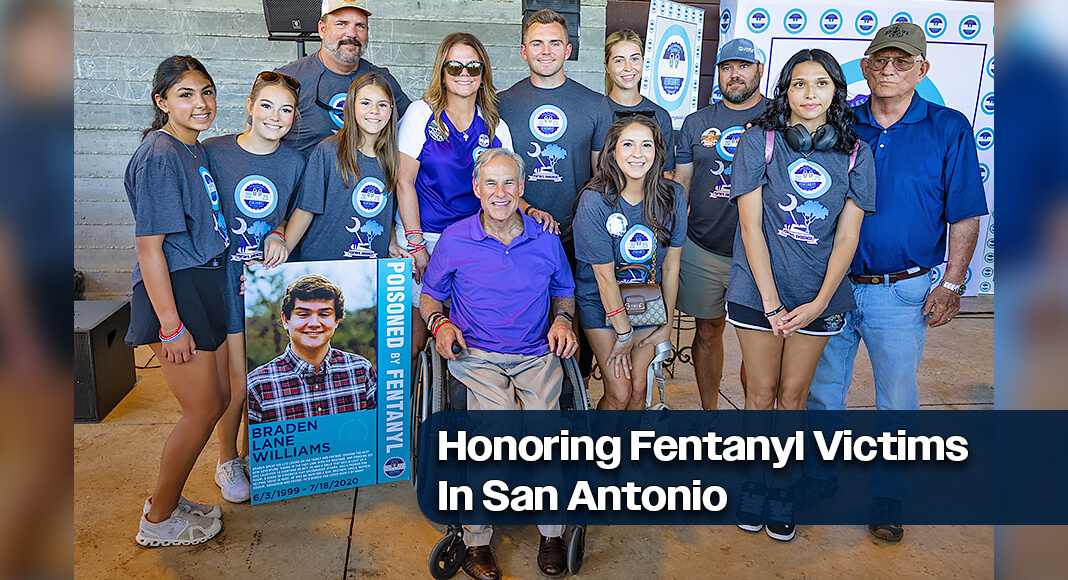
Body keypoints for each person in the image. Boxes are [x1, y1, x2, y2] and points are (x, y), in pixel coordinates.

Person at [798, 23, 988, 543]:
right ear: (864, 66)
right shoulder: (839, 120)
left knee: (897, 399)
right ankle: (818, 476)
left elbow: (965, 212)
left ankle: (888, 496)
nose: (888, 69)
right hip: (832, 286)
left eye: (902, 61)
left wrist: (953, 283)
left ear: (922, 69)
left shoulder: (948, 128)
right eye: (879, 60)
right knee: (823, 391)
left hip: (901, 290)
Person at [725, 48, 875, 542]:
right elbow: (750, 228)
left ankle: (782, 489)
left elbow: (848, 237)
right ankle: (753, 485)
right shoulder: (759, 141)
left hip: (818, 297)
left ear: (836, 92)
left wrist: (819, 302)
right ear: (785, 91)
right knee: (759, 394)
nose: (810, 94)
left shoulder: (856, 153)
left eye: (821, 83)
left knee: (793, 397)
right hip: (757, 292)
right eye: (799, 84)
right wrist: (771, 302)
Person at [420, 148, 577, 580]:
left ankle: (551, 533)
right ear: (476, 188)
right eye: (490, 182)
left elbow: (564, 292)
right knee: (498, 427)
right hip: (477, 355)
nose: (500, 192)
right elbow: (430, 296)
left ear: (522, 187)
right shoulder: (456, 238)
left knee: (546, 428)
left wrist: (563, 320)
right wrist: (439, 323)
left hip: (534, 353)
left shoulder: (545, 237)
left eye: (509, 182)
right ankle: (477, 539)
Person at [126, 55, 229, 547]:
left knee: (219, 399)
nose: (200, 103)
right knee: (202, 408)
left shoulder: (193, 148)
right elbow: (149, 248)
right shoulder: (160, 154)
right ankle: (158, 518)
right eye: (185, 94)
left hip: (201, 281)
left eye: (206, 91)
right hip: (174, 288)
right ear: (161, 101)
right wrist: (170, 324)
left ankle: (170, 498)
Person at [202, 71, 306, 503]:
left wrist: (278, 234)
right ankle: (227, 460)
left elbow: (294, 214)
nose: (275, 117)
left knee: (266, 377)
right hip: (226, 279)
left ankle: (254, 455)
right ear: (249, 105)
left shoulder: (295, 163)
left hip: (266, 282)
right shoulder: (213, 152)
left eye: (286, 110)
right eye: (266, 105)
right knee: (237, 381)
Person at [497, 9, 615, 377]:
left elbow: (602, 176)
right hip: (516, 231)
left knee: (573, 317)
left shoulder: (595, 105)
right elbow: (494, 174)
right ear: (523, 51)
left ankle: (572, 393)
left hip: (576, 234)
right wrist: (527, 210)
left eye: (554, 43)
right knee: (524, 316)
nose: (545, 51)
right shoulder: (501, 104)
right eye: (537, 43)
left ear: (568, 50)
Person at [396, 32, 513, 362]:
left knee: (464, 335)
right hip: (425, 236)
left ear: (483, 75)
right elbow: (404, 182)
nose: (464, 74)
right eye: (455, 66)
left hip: (473, 241)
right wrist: (416, 245)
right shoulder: (421, 114)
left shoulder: (496, 127)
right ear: (442, 72)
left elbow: (505, 191)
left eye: (473, 67)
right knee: (415, 339)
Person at [675, 37, 767, 412]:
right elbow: (682, 182)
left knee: (756, 338)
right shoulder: (697, 123)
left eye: (743, 66)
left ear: (759, 70)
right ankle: (709, 414)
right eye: (727, 68)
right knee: (707, 330)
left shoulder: (778, 118)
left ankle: (753, 415)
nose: (735, 75)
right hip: (704, 246)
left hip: (760, 252)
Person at [572, 115, 688, 409]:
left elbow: (671, 266)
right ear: (612, 151)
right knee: (620, 392)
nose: (638, 154)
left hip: (645, 299)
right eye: (628, 144)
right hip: (601, 302)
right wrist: (623, 333)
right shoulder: (594, 200)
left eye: (646, 145)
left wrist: (666, 324)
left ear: (658, 152)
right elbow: (604, 278)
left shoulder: (673, 195)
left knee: (638, 388)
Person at [285, 73, 408, 262]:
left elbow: (388, 216)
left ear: (391, 110)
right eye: (365, 103)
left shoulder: (394, 159)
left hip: (370, 269)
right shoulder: (328, 151)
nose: (374, 111)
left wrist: (391, 243)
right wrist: (281, 254)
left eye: (382, 105)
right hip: (324, 264)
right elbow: (305, 211)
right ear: (351, 106)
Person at [275, 0, 411, 156]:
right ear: (322, 29)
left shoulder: (381, 80)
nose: (352, 33)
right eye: (341, 24)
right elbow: (259, 141)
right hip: (308, 170)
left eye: (360, 26)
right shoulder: (289, 79)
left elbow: (415, 131)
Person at [247, 274, 377, 424]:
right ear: (285, 320)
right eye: (303, 314)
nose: (314, 323)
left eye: (324, 314)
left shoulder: (362, 372)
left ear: (336, 320)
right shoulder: (257, 386)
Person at [603, 29, 675, 177]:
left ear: (643, 61)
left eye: (634, 59)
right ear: (607, 66)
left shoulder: (660, 116)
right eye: (619, 60)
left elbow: (666, 172)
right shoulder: (596, 111)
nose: (628, 67)